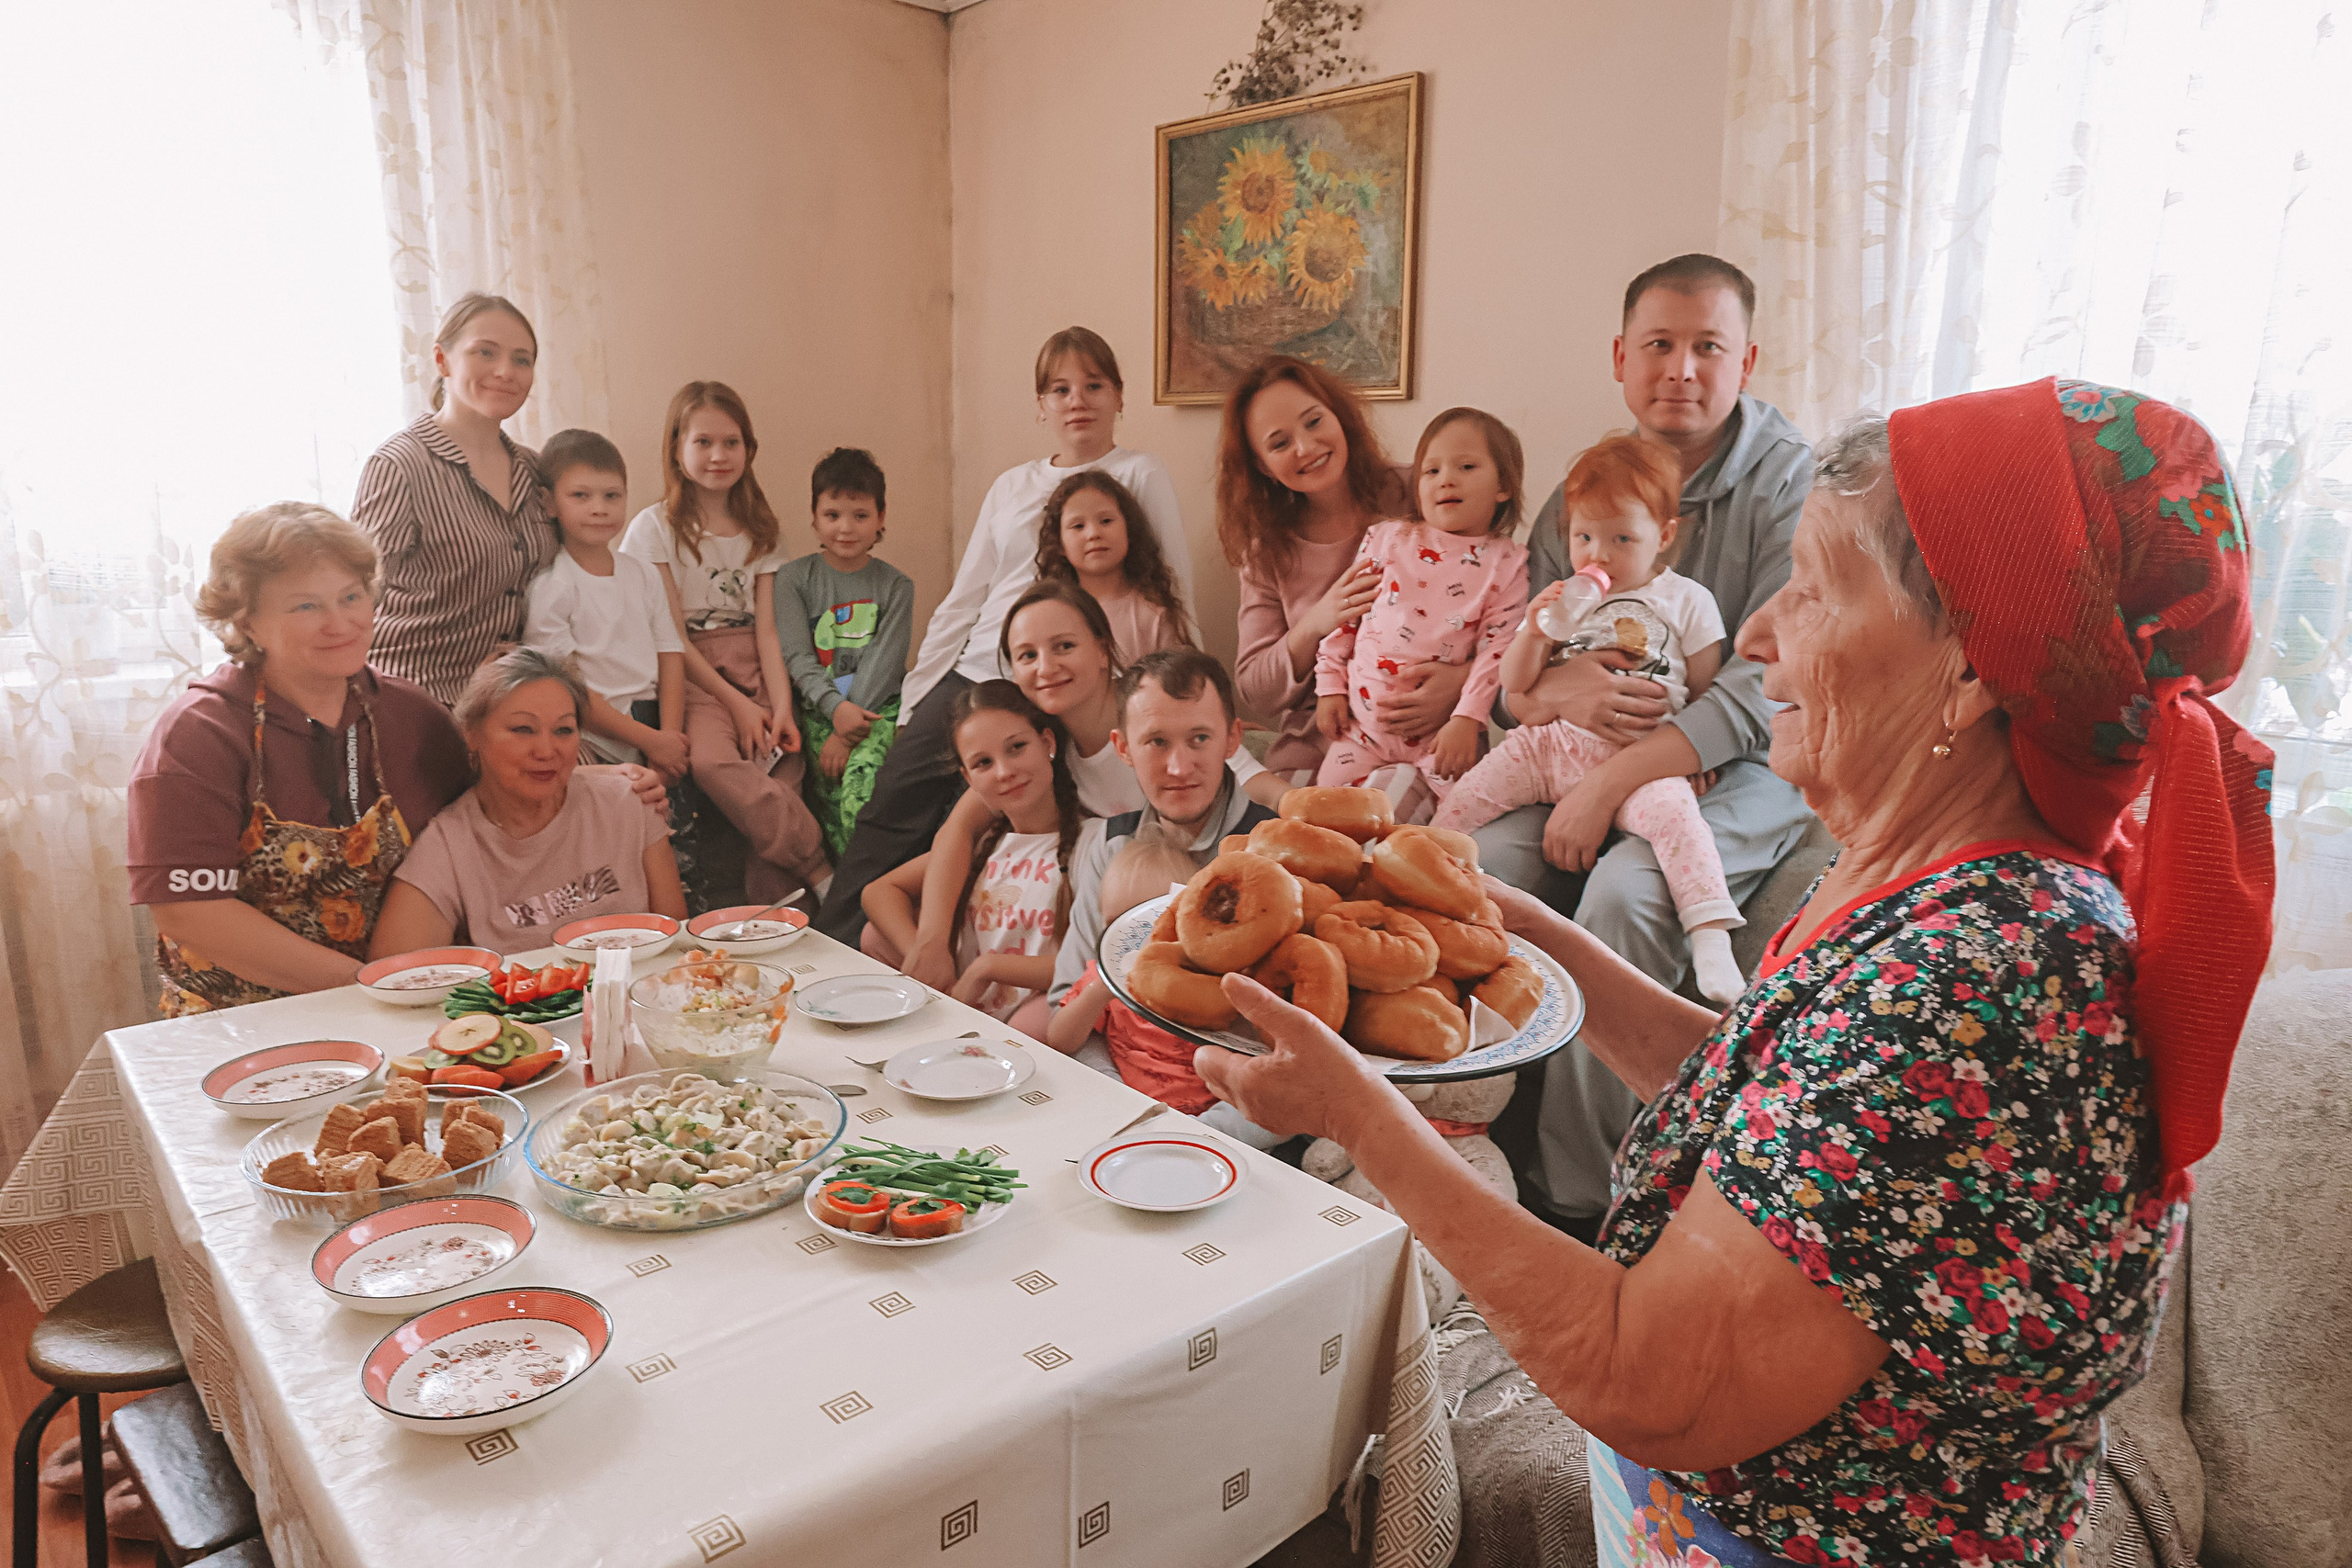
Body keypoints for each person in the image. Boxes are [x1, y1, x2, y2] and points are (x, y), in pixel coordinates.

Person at [1191, 379, 2274, 1565]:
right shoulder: (1931, 883)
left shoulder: (1980, 976)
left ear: (1972, 666)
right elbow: (1761, 1098)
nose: (1758, 633)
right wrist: (1512, 923)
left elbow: (1646, 1372)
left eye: (1814, 586)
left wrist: (1356, 1108)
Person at [1480, 254, 1818, 1229]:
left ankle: (1584, 1198)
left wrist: (1612, 779)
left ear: (1744, 360)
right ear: (1620, 359)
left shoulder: (1789, 485)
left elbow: (1766, 687)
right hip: (1580, 752)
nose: (1680, 369)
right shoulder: (1585, 490)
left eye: (1706, 347)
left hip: (1744, 764)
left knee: (1628, 891)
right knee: (1474, 866)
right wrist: (1556, 693)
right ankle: (1460, 1124)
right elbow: (1527, 669)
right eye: (1659, 347)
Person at [816, 328, 1190, 940]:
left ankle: (945, 947)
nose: (1078, 401)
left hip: (1050, 681)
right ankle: (829, 944)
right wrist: (916, 700)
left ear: (1120, 396)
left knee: (971, 818)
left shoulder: (1138, 473)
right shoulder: (1011, 485)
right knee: (892, 801)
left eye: (1094, 385)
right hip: (973, 672)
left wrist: (1179, 694)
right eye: (1060, 388)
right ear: (1040, 404)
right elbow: (965, 597)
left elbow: (1171, 589)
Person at [1435, 434, 1745, 1005]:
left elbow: (1705, 687)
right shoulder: (1563, 599)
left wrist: (1693, 756)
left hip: (1636, 758)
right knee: (1467, 797)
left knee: (1681, 826)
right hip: (1550, 745)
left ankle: (1709, 934)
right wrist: (1536, 628)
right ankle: (1419, 872)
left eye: (1621, 538)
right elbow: (1516, 684)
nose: (1598, 555)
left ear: (1664, 537)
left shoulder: (1687, 601)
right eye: (1583, 537)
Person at [130, 504, 469, 1012]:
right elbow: (189, 911)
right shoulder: (200, 735)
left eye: (351, 597)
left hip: (401, 1003)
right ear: (248, 621)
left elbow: (483, 828)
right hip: (239, 1022)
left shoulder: (414, 715)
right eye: (306, 606)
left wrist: (612, 786)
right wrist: (367, 987)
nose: (341, 623)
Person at [889, 582, 1284, 998]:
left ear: (1102, 651)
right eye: (1027, 655)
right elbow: (960, 829)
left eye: (1063, 646)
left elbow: (1273, 795)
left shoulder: (1157, 719)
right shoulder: (1044, 745)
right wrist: (931, 942)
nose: (1045, 667)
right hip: (1098, 920)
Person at [1047, 650, 1291, 1149]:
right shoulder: (1108, 848)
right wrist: (1125, 1111)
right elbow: (1067, 1004)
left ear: (1233, 738)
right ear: (1123, 747)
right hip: (1122, 1111)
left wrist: (1201, 1138)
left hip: (1244, 1126)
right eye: (1156, 742)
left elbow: (1299, 1055)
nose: (1179, 767)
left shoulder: (1279, 860)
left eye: (1199, 738)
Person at [622, 381, 828, 907]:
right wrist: (735, 705)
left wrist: (779, 706)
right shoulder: (655, 528)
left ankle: (775, 911)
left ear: (748, 449)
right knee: (714, 764)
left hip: (757, 662)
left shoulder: (762, 529)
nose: (719, 456)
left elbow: (768, 628)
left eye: (731, 442)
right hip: (695, 673)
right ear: (676, 448)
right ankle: (818, 867)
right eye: (704, 442)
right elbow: (672, 637)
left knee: (786, 767)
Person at [372, 648, 687, 956]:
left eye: (564, 729)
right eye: (523, 729)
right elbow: (392, 978)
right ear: (470, 733)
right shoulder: (450, 847)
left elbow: (676, 948)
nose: (547, 750)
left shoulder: (629, 802)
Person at [1221, 355, 1439, 779]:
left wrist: (1458, 681)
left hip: (1419, 736)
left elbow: (1495, 596)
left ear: (1340, 417)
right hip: (1315, 746)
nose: (1306, 447)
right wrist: (1317, 621)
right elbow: (1255, 689)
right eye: (1279, 443)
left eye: (1314, 421)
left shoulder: (1418, 493)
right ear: (1263, 466)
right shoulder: (1267, 552)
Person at [1311, 406, 1529, 803]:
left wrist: (1467, 718)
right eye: (1431, 471)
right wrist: (1329, 687)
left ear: (1504, 486)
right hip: (1361, 731)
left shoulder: (1508, 563)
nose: (1446, 480)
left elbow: (1499, 651)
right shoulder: (1386, 539)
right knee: (1323, 817)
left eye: (1466, 467)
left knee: (1457, 830)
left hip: (1444, 739)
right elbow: (1347, 620)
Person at [353, 292, 553, 705]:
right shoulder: (399, 466)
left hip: (507, 701)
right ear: (442, 360)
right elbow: (355, 596)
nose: (505, 371)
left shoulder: (536, 471)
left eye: (522, 359)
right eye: (485, 352)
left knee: (625, 773)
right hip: (413, 699)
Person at [858, 682, 1081, 1023]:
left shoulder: (1091, 845)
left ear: (1047, 743)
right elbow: (878, 892)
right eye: (983, 763)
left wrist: (987, 969)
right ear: (968, 778)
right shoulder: (984, 843)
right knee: (874, 935)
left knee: (1036, 1021)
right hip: (959, 998)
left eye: (1017, 747)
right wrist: (927, 955)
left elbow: (1090, 959)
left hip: (1028, 1009)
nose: (1005, 772)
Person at [521, 428, 689, 777]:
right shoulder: (552, 588)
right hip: (593, 737)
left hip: (656, 723)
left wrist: (668, 737)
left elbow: (671, 655)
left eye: (612, 495)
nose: (599, 508)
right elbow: (566, 689)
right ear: (549, 502)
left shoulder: (644, 574)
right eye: (580, 496)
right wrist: (650, 741)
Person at [775, 446, 914, 859]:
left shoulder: (896, 586)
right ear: (815, 518)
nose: (845, 528)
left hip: (876, 713)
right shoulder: (794, 579)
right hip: (818, 711)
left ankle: (874, 895)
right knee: (829, 814)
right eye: (833, 515)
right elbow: (798, 657)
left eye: (860, 515)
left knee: (862, 794)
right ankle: (847, 908)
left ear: (881, 518)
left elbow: (886, 665)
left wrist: (846, 727)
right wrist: (834, 711)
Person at [1033, 468, 1195, 660]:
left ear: (1129, 530)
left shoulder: (1154, 616)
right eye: (1078, 526)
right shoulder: (1048, 616)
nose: (1093, 533)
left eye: (1106, 521)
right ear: (1059, 543)